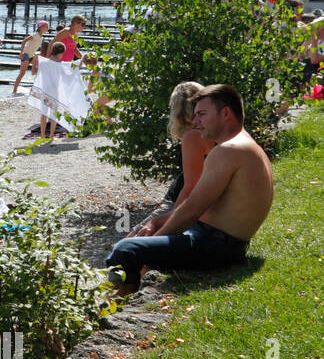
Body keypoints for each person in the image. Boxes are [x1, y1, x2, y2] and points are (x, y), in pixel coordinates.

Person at [105, 84, 273, 295]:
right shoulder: (244, 145)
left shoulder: (229, 150)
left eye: (202, 114)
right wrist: (157, 222)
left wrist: (157, 238)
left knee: (125, 249)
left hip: (215, 247)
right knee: (131, 245)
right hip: (220, 242)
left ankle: (115, 302)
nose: (196, 122)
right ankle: (115, 295)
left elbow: (192, 209)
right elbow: (198, 206)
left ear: (226, 113)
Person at [129, 81, 214, 237]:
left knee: (127, 244)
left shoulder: (194, 136)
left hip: (178, 203)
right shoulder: (212, 131)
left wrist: (174, 217)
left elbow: (190, 186)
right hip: (194, 203)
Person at [11, 21, 47, 93]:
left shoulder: (41, 37)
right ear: (41, 27)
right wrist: (21, 53)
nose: (47, 28)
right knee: (22, 73)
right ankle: (14, 90)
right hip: (26, 55)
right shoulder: (35, 35)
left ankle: (35, 88)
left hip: (32, 55)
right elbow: (24, 41)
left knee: (40, 69)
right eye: (46, 26)